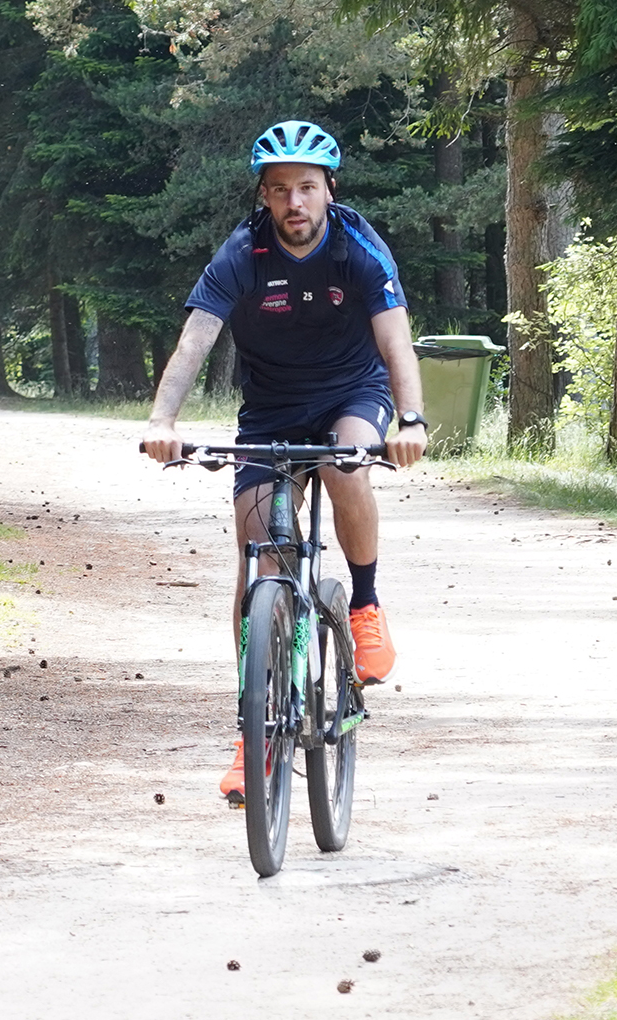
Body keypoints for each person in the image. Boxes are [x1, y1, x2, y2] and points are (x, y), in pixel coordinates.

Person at [141, 120, 427, 803]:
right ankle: (252, 733)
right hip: (269, 411)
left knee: (343, 461)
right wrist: (163, 420)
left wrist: (411, 420)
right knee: (257, 562)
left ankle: (364, 601)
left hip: (351, 393)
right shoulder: (243, 252)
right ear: (264, 198)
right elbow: (194, 341)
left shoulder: (358, 249)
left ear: (329, 188)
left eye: (306, 187)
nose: (294, 202)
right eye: (279, 191)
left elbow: (396, 345)